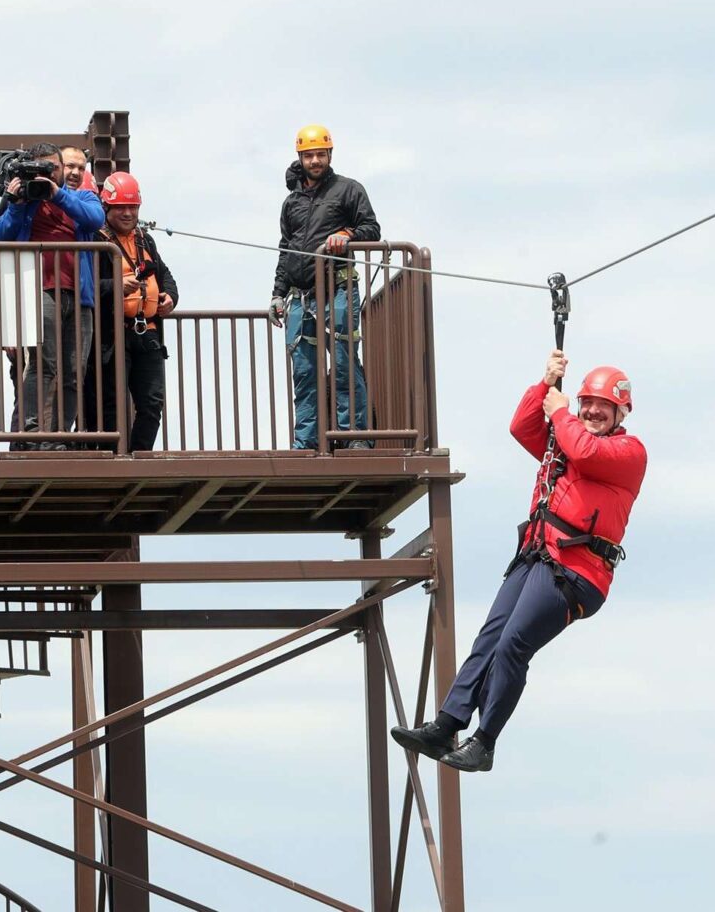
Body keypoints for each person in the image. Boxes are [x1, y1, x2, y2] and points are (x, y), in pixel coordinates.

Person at [391, 351, 647, 772]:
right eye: (588, 403)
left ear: (621, 412)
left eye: (604, 406)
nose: (593, 411)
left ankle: (485, 741)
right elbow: (522, 426)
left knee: (514, 643)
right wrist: (545, 384)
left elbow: (583, 452)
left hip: (576, 572)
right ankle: (447, 723)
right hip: (539, 555)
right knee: (490, 637)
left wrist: (561, 412)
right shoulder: (566, 439)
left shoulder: (627, 453)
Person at [266, 125, 380, 450]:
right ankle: (307, 444)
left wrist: (348, 236)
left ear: (330, 154)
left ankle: (353, 437)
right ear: (300, 157)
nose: (315, 160)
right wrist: (277, 293)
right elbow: (286, 250)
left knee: (344, 363)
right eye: (309, 155)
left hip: (337, 289)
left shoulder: (348, 190)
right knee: (304, 372)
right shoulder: (291, 203)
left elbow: (371, 228)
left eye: (320, 154)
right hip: (299, 296)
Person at [0, 141, 103, 450]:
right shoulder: (26, 202)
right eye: (41, 168)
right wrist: (15, 202)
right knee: (44, 364)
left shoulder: (78, 196)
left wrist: (57, 193)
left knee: (73, 371)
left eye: (53, 167)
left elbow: (95, 219)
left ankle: (57, 436)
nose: (48, 174)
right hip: (40, 289)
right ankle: (33, 432)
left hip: (79, 297)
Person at [82, 172, 178, 451]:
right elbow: (86, 286)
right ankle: (112, 457)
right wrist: (115, 286)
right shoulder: (95, 240)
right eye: (120, 207)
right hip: (113, 335)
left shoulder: (145, 240)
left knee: (152, 402)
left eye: (132, 207)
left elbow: (165, 273)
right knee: (110, 401)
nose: (127, 213)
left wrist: (170, 296)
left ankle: (140, 454)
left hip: (146, 332)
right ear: (107, 208)